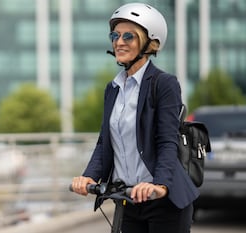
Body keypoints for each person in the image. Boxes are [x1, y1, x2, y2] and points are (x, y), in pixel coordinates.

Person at [70, 3, 199, 233]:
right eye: (115, 35)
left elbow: (167, 141)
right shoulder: (113, 88)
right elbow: (104, 142)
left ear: (150, 42)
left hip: (164, 201)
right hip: (128, 199)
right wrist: (88, 176)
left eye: (128, 36)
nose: (119, 42)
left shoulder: (164, 84)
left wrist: (159, 185)